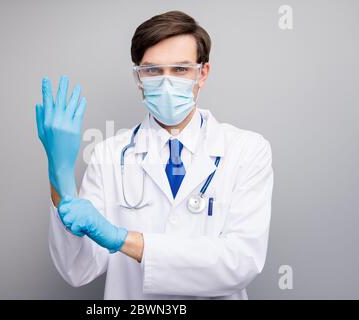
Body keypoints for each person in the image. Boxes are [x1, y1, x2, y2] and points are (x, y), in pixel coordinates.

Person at [36, 10, 274, 299]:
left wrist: (124, 240)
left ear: (203, 74)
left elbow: (240, 262)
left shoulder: (247, 150)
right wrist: (58, 174)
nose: (166, 82)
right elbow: (77, 268)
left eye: (180, 69)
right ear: (138, 77)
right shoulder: (108, 155)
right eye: (152, 70)